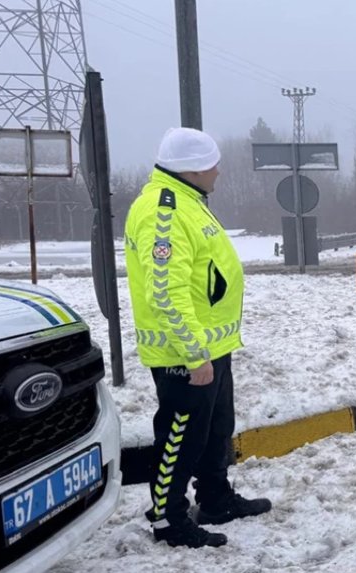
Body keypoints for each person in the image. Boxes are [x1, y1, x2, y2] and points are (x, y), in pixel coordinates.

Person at [123, 127, 271, 549]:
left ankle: (215, 498)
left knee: (215, 429)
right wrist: (193, 355)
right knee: (180, 437)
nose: (219, 172)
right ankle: (168, 518)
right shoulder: (163, 211)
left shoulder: (188, 202)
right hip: (184, 353)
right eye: (212, 165)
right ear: (192, 169)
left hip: (211, 347)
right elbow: (166, 292)